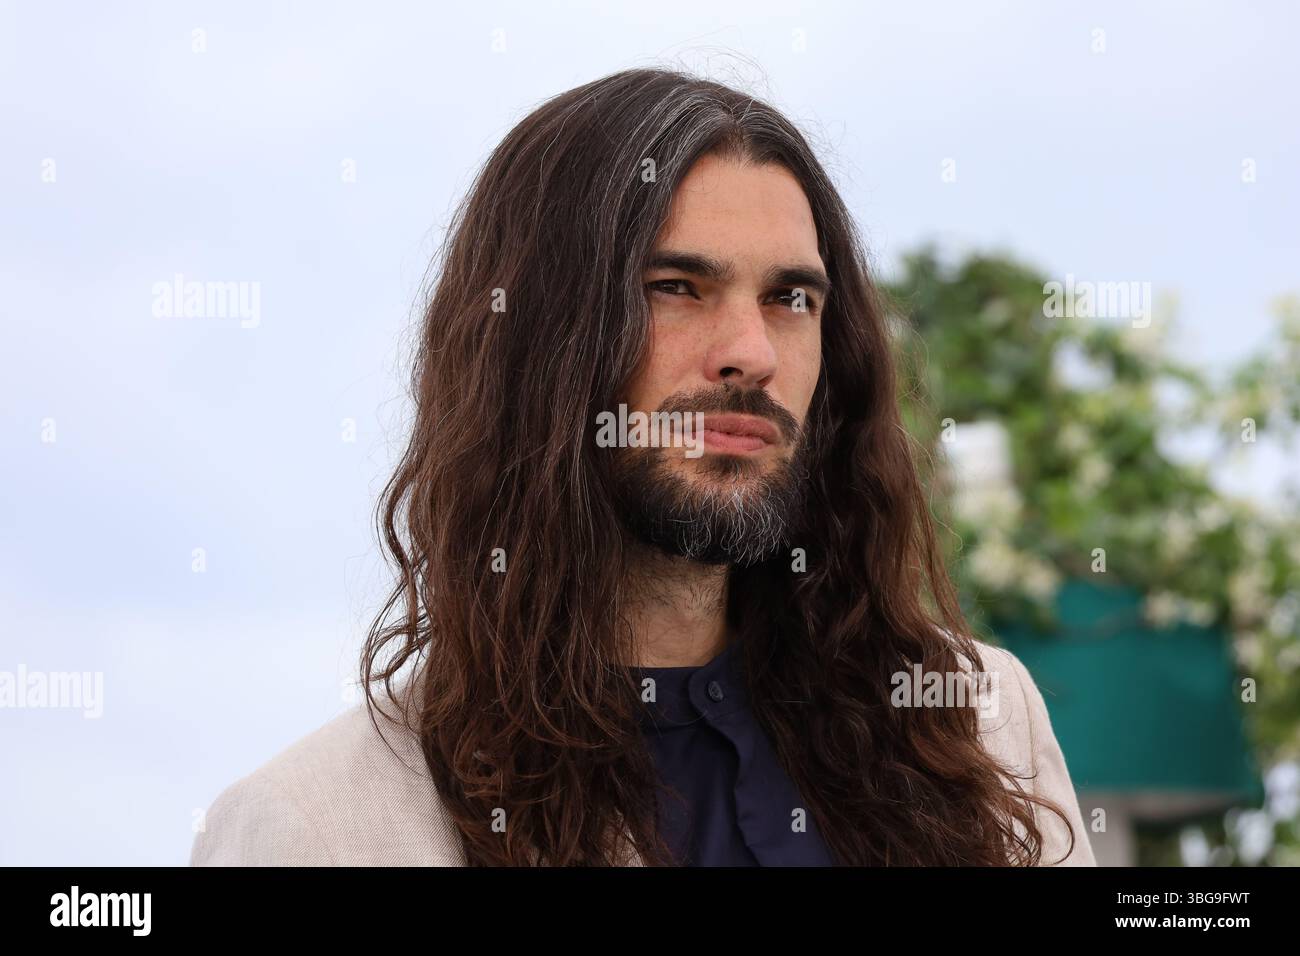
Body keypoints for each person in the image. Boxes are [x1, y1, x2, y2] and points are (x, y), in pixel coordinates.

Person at [191, 67, 1095, 867]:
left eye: (789, 298)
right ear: (537, 342)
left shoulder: (978, 725)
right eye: (676, 289)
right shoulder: (317, 830)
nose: (751, 354)